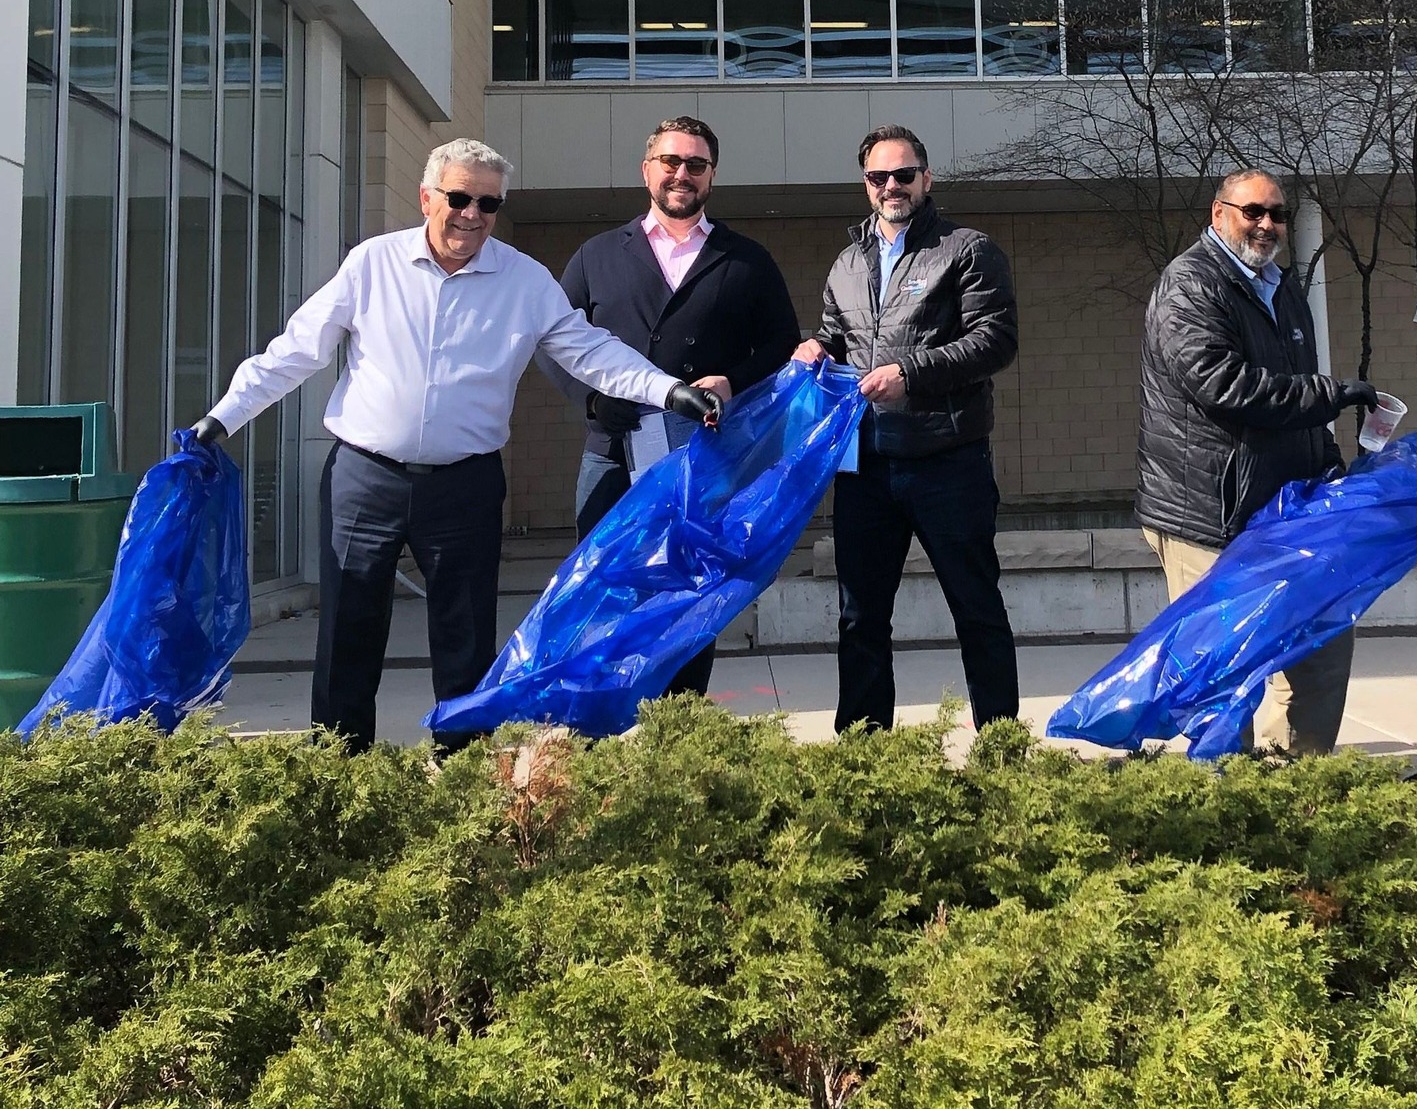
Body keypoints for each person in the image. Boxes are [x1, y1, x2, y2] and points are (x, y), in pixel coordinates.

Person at [194, 139, 723, 750]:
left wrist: (668, 391)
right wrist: (222, 419)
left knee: (466, 639)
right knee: (347, 634)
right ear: (426, 198)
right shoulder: (373, 264)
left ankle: (464, 777)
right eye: (459, 198)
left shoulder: (524, 280)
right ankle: (337, 776)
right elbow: (296, 350)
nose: (472, 214)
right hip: (363, 479)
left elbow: (590, 352)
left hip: (465, 485)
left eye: (488, 202)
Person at [1134, 169, 1379, 756]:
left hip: (1288, 508)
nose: (1266, 224)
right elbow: (1222, 385)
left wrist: (1330, 467)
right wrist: (1331, 393)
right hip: (1208, 516)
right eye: (1252, 212)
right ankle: (1228, 802)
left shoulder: (1282, 287)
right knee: (1222, 670)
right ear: (1219, 214)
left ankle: (1297, 783)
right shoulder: (1191, 284)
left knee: (1322, 647)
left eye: (1277, 213)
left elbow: (1296, 397)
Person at [555, 115, 799, 696]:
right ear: (648, 171)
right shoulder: (596, 255)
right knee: (601, 589)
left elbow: (782, 344)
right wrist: (591, 400)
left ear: (712, 176)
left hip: (703, 455)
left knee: (691, 592)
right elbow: (554, 341)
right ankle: (595, 725)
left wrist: (734, 381)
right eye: (670, 162)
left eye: (695, 164)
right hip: (613, 453)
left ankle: (679, 731)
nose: (681, 174)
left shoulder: (746, 258)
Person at [792, 124, 1021, 733]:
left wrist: (911, 374)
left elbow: (995, 341)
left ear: (927, 178)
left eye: (904, 174)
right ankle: (868, 755)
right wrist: (817, 346)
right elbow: (839, 335)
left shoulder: (967, 248)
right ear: (865, 185)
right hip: (866, 465)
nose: (892, 186)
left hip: (949, 461)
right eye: (878, 177)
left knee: (976, 608)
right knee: (860, 616)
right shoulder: (846, 262)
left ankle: (1002, 753)